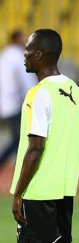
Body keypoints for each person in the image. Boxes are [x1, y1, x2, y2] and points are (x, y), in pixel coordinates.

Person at [10, 29, 79, 243]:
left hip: (40, 187)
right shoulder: (76, 91)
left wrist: (18, 192)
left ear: (39, 54)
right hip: (66, 185)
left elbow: (35, 147)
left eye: (27, 51)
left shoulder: (38, 94)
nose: (24, 55)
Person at [0, 30, 37, 171]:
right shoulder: (18, 56)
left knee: (18, 140)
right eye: (24, 39)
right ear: (16, 40)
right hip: (17, 104)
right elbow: (27, 81)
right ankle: (24, 170)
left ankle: (23, 169)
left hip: (6, 104)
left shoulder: (4, 55)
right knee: (22, 141)